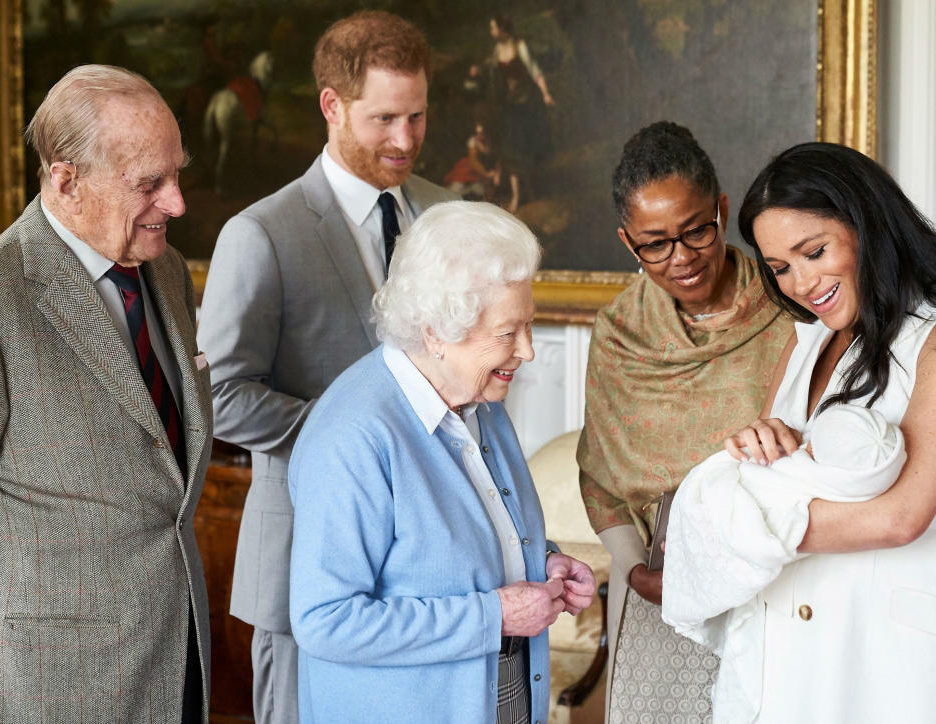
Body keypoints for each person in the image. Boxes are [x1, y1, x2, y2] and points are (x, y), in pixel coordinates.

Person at [196, 11, 455, 723]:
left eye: (418, 116)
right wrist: (358, 433)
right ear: (331, 106)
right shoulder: (260, 235)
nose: (405, 140)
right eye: (384, 120)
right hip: (305, 562)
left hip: (431, 572)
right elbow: (218, 396)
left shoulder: (447, 212)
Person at [288, 200, 595, 724]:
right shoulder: (354, 436)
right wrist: (494, 615)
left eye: (529, 326)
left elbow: (452, 552)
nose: (527, 350)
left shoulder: (480, 398)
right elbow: (326, 621)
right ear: (436, 331)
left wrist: (540, 562)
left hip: (501, 694)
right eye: (507, 333)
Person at [0, 65, 212, 723]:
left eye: (176, 175)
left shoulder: (165, 272)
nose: (177, 204)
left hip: (178, 657)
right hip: (51, 685)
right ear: (66, 181)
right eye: (149, 184)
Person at [703, 141, 936, 723]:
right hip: (780, 645)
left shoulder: (930, 337)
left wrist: (736, 519)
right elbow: (774, 470)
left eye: (814, 251)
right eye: (780, 267)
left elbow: (902, 515)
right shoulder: (806, 340)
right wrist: (759, 444)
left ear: (866, 223)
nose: (801, 283)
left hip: (875, 655)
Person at [576, 121, 793, 723]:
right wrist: (639, 571)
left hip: (772, 573)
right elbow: (600, 476)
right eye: (656, 243)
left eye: (697, 230)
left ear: (722, 210)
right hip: (656, 583)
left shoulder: (789, 310)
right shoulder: (619, 335)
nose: (682, 259)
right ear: (628, 242)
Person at [662, 404, 905, 720]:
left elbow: (754, 523)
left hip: (818, 621)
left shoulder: (808, 477)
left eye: (812, 446)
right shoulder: (860, 476)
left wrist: (702, 533)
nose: (805, 447)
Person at [487, 14, 554, 213]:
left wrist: (546, 94)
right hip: (510, 107)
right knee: (510, 150)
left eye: (493, 28)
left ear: (503, 29)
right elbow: (492, 75)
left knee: (527, 149)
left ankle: (533, 191)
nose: (491, 32)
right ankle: (517, 195)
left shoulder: (520, 46)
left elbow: (535, 71)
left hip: (528, 105)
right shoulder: (496, 50)